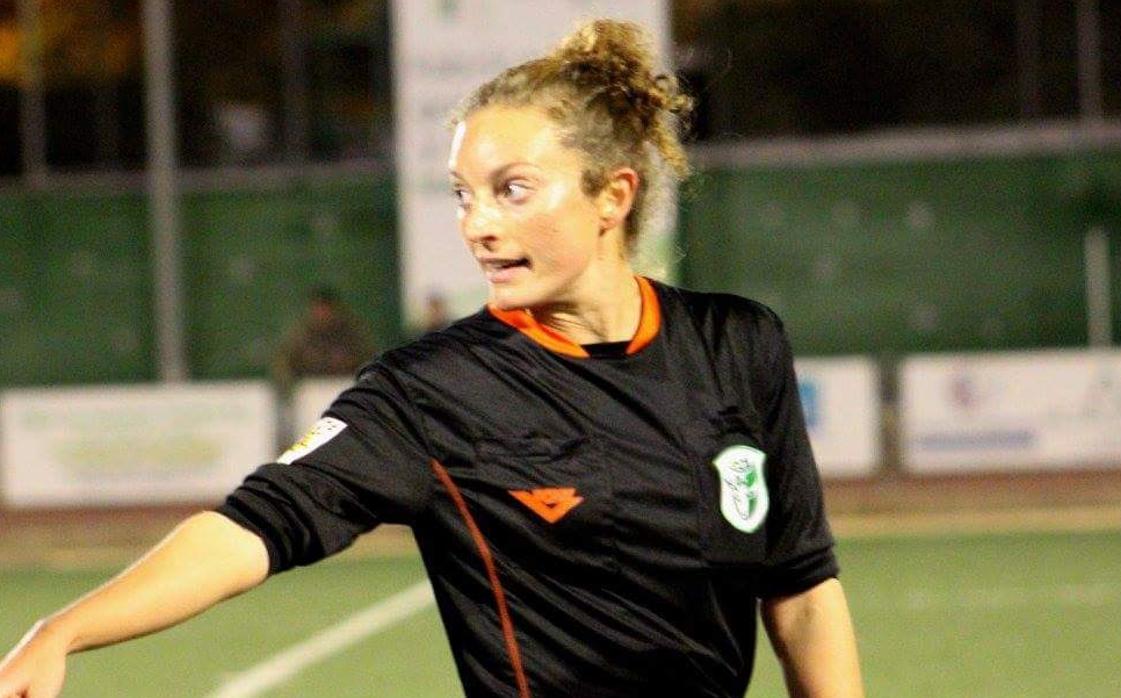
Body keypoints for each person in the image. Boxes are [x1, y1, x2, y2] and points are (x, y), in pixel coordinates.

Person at [0, 19, 862, 698]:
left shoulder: (738, 345)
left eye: (511, 190)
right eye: (462, 194)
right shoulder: (432, 391)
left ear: (611, 195)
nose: (477, 225)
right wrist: (66, 630)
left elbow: (800, 591)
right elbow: (250, 528)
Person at [271, 286, 374, 390]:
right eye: (318, 309)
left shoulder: (352, 335)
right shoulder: (300, 336)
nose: (322, 314)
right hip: (310, 391)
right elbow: (282, 364)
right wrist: (288, 386)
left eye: (325, 309)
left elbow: (369, 362)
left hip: (345, 389)